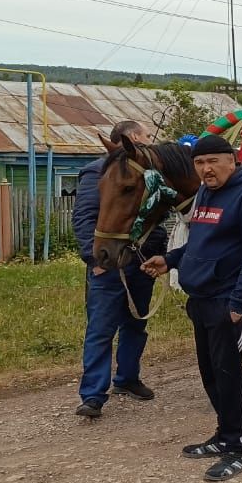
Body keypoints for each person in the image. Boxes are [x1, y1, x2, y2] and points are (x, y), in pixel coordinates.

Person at [140, 134, 242, 482]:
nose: (206, 169)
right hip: (200, 298)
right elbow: (198, 244)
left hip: (228, 299)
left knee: (229, 374)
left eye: (213, 161)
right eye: (199, 163)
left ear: (232, 160)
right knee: (211, 373)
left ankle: (239, 447)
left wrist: (239, 303)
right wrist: (169, 259)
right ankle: (224, 434)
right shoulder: (204, 194)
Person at [72, 119, 163, 418]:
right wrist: (95, 259)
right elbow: (85, 219)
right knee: (101, 328)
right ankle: (93, 395)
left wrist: (159, 254)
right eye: (147, 136)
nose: (150, 141)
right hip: (108, 265)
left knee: (136, 324)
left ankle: (127, 378)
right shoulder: (97, 171)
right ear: (133, 138)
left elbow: (155, 220)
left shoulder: (149, 175)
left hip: (141, 261)